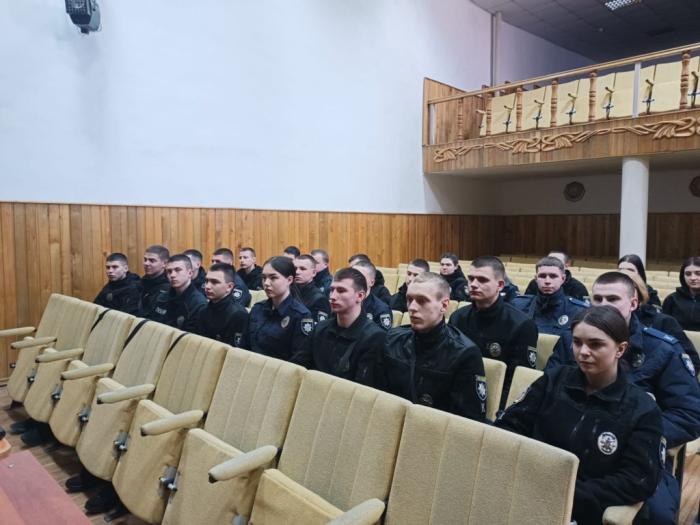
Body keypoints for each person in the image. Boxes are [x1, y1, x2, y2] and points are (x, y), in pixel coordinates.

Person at [551, 271, 700, 524]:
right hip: (570, 443)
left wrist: (633, 434)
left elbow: (689, 414)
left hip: (637, 453)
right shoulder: (571, 341)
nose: (603, 305)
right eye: (597, 299)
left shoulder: (662, 349)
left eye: (612, 299)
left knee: (657, 516)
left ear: (633, 303)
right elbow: (550, 390)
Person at [496, 306, 664, 525]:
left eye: (595, 344)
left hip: (585, 509)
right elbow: (510, 426)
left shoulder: (642, 409)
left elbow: (637, 479)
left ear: (620, 349)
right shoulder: (554, 379)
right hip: (526, 489)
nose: (583, 351)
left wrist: (568, 493)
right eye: (577, 342)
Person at [370, 272, 487, 421]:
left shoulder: (465, 354)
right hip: (389, 423)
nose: (412, 307)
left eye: (422, 301)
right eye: (409, 299)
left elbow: (467, 422)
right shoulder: (391, 340)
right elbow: (376, 396)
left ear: (444, 305)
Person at [449, 256, 538, 405]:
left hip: (497, 400)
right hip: (458, 393)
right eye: (471, 279)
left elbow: (517, 381)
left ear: (500, 285)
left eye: (482, 280)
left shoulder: (521, 324)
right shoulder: (458, 317)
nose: (473, 284)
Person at [294, 267, 384, 382]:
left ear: (360, 296)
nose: (332, 296)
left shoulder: (374, 337)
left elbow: (362, 387)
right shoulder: (320, 329)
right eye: (332, 290)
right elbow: (298, 367)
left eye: (341, 291)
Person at [511, 256, 588, 364]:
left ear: (563, 279)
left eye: (553, 276)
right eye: (542, 276)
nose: (547, 281)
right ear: (536, 279)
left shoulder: (577, 310)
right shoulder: (518, 305)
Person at [240, 256, 313, 361]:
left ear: (289, 280)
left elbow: (299, 359)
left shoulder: (301, 315)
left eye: (273, 278)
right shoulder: (257, 308)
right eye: (264, 278)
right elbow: (244, 345)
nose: (266, 283)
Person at [626, 271, 700, 370]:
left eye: (613, 298)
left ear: (636, 299)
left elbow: (691, 362)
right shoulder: (605, 324)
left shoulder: (664, 322)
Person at [196, 263, 249, 347]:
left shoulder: (238, 315)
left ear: (229, 287)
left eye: (214, 282)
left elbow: (235, 351)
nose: (207, 286)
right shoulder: (203, 310)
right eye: (206, 281)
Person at [163, 254, 207, 332]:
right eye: (169, 271)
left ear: (190, 273)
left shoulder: (198, 303)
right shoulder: (163, 296)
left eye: (177, 270)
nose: (172, 275)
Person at [524, 250, 588, 300]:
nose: (551, 264)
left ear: (566, 265)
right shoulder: (534, 283)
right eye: (549, 260)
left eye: (557, 262)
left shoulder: (578, 287)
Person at [351, 259, 393, 330]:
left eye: (361, 277)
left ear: (372, 282)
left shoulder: (381, 309)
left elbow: (381, 335)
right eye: (352, 277)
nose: (355, 281)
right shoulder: (342, 303)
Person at [662, 256, 700, 332]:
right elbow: (664, 325)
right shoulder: (672, 299)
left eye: (698, 273)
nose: (692, 278)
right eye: (688, 274)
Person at [293, 254, 331, 323]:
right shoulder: (289, 292)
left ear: (313, 273)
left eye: (302, 269)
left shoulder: (320, 299)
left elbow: (320, 327)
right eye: (295, 269)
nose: (297, 272)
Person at [139, 245, 171, 322]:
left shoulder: (168, 287)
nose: (146, 263)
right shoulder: (142, 282)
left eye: (152, 260)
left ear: (165, 263)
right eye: (145, 259)